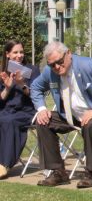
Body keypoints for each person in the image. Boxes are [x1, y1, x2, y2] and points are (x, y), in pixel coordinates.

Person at [30, 41, 92, 188]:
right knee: (43, 121)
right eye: (52, 64)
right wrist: (41, 109)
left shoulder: (88, 65)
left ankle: (91, 173)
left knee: (91, 123)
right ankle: (58, 172)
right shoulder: (49, 72)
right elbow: (35, 87)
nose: (56, 67)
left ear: (68, 53)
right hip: (72, 116)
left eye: (59, 62)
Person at [0, 40, 40, 180]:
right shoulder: (2, 72)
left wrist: (21, 83)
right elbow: (1, 98)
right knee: (4, 117)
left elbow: (35, 95)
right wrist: (8, 87)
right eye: (15, 52)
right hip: (6, 109)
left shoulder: (32, 70)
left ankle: (5, 164)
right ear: (8, 54)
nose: (19, 55)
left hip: (26, 110)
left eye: (21, 52)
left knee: (9, 120)